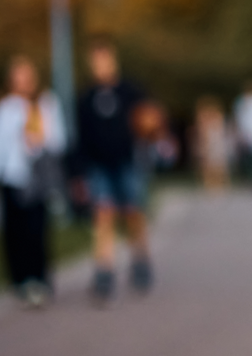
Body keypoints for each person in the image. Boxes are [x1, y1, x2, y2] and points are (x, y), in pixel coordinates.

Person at [0, 54, 66, 307]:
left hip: (36, 178)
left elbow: (59, 140)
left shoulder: (45, 103)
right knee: (13, 232)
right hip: (11, 177)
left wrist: (39, 141)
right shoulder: (3, 106)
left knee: (36, 231)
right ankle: (20, 280)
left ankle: (39, 278)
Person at [71, 36, 156, 306]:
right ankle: (104, 270)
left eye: (104, 59)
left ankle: (140, 259)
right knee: (104, 215)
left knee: (133, 213)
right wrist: (78, 174)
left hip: (127, 162)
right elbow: (80, 139)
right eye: (96, 61)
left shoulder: (130, 90)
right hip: (98, 166)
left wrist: (151, 127)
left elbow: (149, 118)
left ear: (113, 59)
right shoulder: (85, 98)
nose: (101, 65)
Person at [191, 96, 233, 192]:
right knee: (208, 164)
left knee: (218, 164)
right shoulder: (204, 118)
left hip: (216, 143)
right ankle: (210, 184)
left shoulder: (217, 117)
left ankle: (219, 184)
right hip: (209, 143)